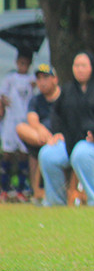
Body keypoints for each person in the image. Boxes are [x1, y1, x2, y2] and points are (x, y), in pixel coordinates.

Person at [39, 51, 94, 206]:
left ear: (92, 68)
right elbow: (56, 112)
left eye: (83, 66)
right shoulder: (68, 90)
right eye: (76, 66)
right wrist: (57, 132)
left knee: (81, 153)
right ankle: (56, 202)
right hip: (74, 140)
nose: (79, 69)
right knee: (47, 154)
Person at [15, 63, 61, 201]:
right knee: (21, 128)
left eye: (46, 77)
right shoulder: (36, 100)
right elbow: (32, 119)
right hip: (41, 138)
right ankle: (37, 192)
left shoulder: (64, 97)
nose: (42, 82)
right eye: (39, 78)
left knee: (38, 150)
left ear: (55, 79)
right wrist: (41, 130)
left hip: (61, 138)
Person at [0, 51, 35, 199]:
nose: (23, 66)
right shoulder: (10, 79)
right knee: (7, 153)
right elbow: (2, 96)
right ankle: (4, 188)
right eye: (20, 62)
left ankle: (22, 188)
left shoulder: (32, 79)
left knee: (23, 154)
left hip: (25, 120)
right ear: (16, 62)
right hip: (10, 121)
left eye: (25, 63)